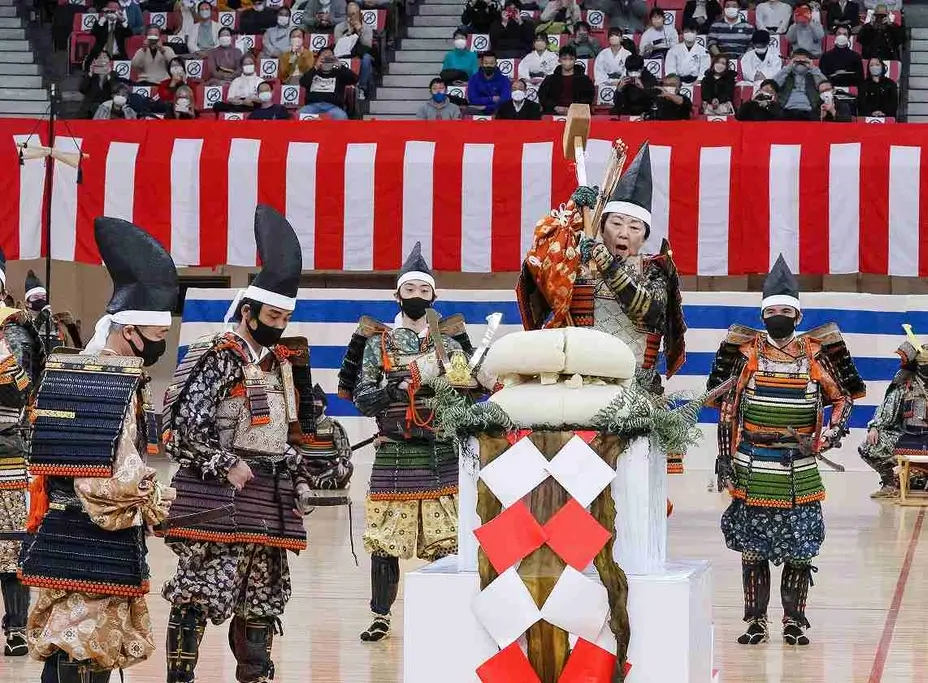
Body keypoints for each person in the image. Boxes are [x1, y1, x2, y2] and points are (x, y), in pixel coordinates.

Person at [20, 216, 179, 683]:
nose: (159, 347)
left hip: (86, 533)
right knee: (81, 648)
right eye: (156, 338)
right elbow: (103, 476)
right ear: (130, 331)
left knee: (89, 647)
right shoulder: (102, 378)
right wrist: (154, 501)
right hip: (88, 533)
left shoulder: (100, 372)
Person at [161, 205, 311, 683]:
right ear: (248, 311)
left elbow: (282, 433)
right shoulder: (216, 355)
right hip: (220, 494)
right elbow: (180, 425)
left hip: (269, 497)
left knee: (262, 599)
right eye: (272, 314)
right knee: (199, 593)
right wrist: (223, 462)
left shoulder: (283, 363)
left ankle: (256, 676)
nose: (280, 323)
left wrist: (300, 472)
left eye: (287, 315)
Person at [708, 254, 864, 647]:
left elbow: (843, 398)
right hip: (752, 463)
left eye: (785, 310)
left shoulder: (815, 353)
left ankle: (795, 621)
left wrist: (830, 435)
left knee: (800, 550)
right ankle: (756, 622)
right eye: (772, 310)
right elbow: (727, 405)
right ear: (763, 314)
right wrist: (724, 455)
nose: (778, 315)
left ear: (797, 315)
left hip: (800, 466)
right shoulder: (745, 353)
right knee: (752, 550)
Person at [339, 243, 484, 642]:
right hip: (394, 451)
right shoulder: (377, 343)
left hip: (441, 450)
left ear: (434, 297)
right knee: (384, 541)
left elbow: (471, 394)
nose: (417, 296)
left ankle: (446, 612)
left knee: (447, 539)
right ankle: (381, 616)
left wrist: (460, 384)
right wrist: (394, 388)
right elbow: (362, 398)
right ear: (397, 295)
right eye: (410, 290)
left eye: (424, 290)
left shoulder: (451, 344)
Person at [518, 142, 688, 400]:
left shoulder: (656, 270)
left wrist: (605, 260)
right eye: (616, 223)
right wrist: (570, 215)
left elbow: (649, 309)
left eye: (634, 227)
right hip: (578, 385)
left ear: (644, 237)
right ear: (602, 226)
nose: (623, 233)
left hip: (636, 391)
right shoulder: (575, 262)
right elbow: (539, 268)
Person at [860, 323, 928, 499]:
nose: (927, 367)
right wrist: (874, 427)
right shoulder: (904, 385)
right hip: (908, 434)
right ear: (916, 364)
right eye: (923, 363)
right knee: (868, 447)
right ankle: (891, 483)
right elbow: (886, 410)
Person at [0, 254, 45, 658]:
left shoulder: (13, 332)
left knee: (12, 545)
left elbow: (21, 389)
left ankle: (16, 628)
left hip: (7, 451)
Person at [21, 269, 82, 353]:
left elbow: (77, 349)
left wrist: (71, 327)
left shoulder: (56, 324)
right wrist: (40, 319)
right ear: (27, 303)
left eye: (43, 297)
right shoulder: (21, 321)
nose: (40, 299)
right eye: (36, 297)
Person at [299, 46, 358, 119]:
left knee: (342, 117)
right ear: (318, 59)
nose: (327, 60)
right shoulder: (313, 72)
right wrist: (316, 67)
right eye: (324, 57)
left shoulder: (338, 73)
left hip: (333, 107)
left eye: (329, 57)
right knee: (300, 114)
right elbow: (302, 82)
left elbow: (354, 79)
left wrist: (340, 66)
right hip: (312, 106)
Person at [333, 2, 375, 98]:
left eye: (354, 14)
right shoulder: (339, 27)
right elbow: (338, 47)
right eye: (350, 14)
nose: (352, 17)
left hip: (362, 54)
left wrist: (360, 31)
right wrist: (349, 32)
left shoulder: (367, 28)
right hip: (343, 54)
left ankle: (361, 87)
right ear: (346, 15)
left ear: (360, 14)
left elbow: (368, 47)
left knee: (367, 58)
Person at [538, 44, 595, 114]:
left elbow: (588, 98)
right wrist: (555, 107)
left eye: (571, 59)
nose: (567, 62)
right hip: (553, 112)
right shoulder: (550, 79)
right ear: (559, 60)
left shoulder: (585, 79)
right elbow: (543, 97)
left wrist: (572, 109)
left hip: (578, 113)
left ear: (575, 60)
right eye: (564, 59)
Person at [773, 48, 827, 120]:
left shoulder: (813, 75)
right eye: (797, 61)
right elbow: (773, 85)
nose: (800, 64)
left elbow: (826, 87)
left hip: (809, 111)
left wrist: (813, 68)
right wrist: (788, 67)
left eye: (804, 61)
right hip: (787, 110)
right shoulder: (786, 75)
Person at [80, 50, 123, 118]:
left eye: (104, 57)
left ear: (109, 61)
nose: (102, 59)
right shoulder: (90, 75)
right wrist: (90, 74)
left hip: (107, 109)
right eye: (99, 57)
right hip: (90, 109)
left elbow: (116, 91)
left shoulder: (114, 75)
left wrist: (109, 75)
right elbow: (82, 90)